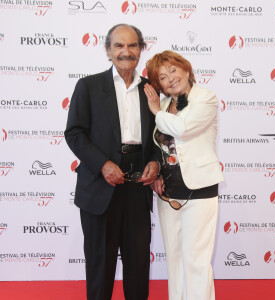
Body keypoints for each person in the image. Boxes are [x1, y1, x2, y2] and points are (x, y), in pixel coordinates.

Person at [64, 24, 161, 300]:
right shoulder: (88, 86)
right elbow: (74, 133)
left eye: (132, 45)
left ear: (141, 49)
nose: (125, 52)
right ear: (108, 50)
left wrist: (155, 164)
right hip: (99, 186)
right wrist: (103, 164)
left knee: (139, 266)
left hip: (138, 186)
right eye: (119, 46)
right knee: (100, 267)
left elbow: (159, 136)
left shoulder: (151, 90)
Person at [144, 50, 224, 300]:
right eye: (163, 78)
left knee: (196, 263)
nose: (170, 79)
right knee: (175, 261)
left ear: (186, 70)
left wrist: (156, 111)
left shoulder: (206, 98)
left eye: (173, 70)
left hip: (199, 190)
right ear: (161, 86)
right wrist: (156, 169)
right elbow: (159, 144)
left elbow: (184, 129)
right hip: (168, 193)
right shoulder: (167, 104)